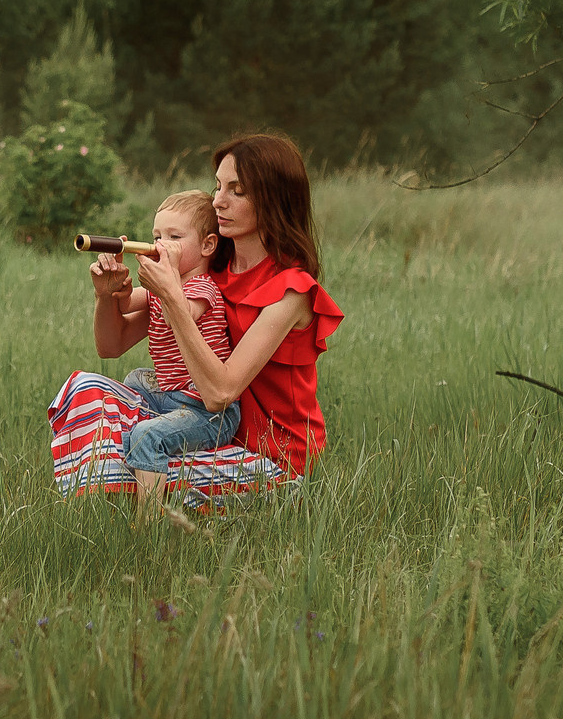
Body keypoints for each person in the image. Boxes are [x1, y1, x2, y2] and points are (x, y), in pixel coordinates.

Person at [48, 131, 343, 504]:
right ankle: (116, 504)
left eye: (237, 191)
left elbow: (220, 393)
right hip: (206, 432)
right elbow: (112, 345)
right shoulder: (208, 272)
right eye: (218, 186)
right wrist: (106, 296)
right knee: (86, 389)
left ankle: (147, 527)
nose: (218, 201)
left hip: (271, 458)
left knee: (145, 455)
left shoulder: (291, 292)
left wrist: (172, 295)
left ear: (273, 199)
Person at [89, 190, 238, 514]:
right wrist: (115, 288)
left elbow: (178, 315)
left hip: (208, 411)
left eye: (173, 236)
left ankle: (149, 521)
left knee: (145, 435)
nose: (159, 243)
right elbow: (127, 305)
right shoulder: (164, 286)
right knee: (135, 378)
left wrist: (166, 282)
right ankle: (130, 472)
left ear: (207, 246)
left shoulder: (200, 287)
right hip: (171, 394)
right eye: (157, 235)